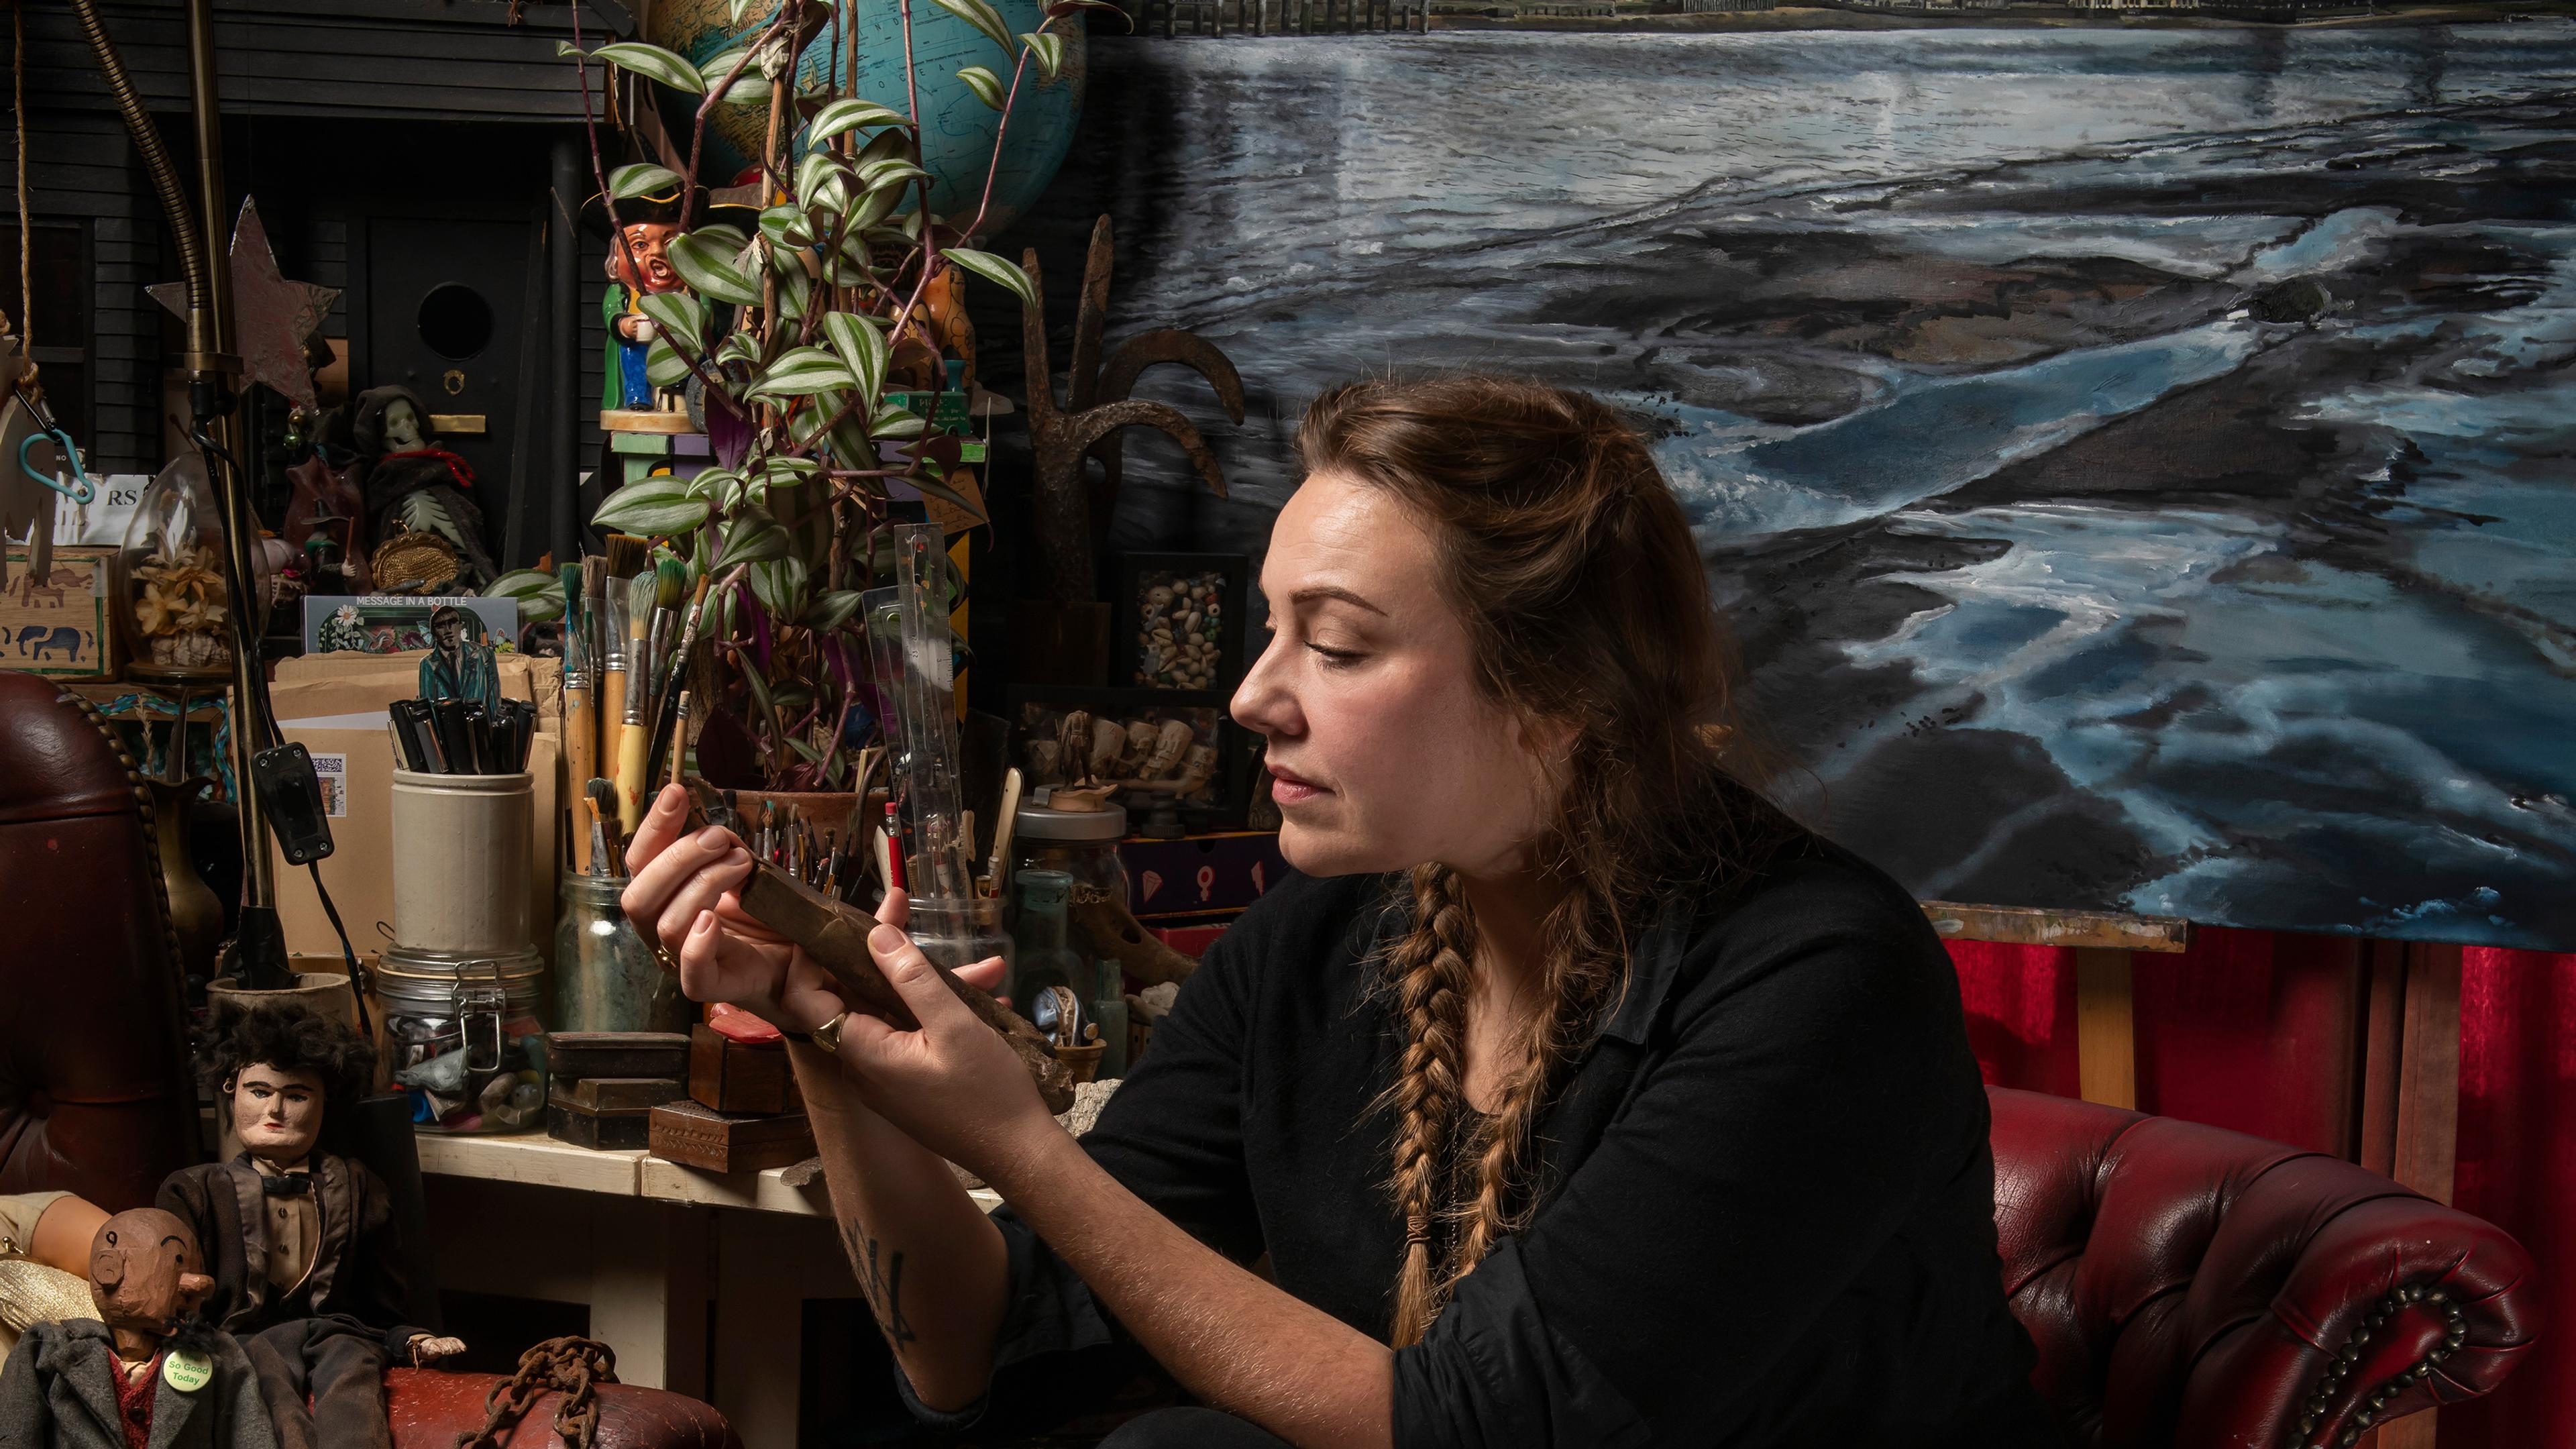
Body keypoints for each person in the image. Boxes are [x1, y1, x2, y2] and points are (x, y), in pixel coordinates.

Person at [621, 376, 2062, 1448]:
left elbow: (1469, 1430)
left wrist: (1013, 1139)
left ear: (1557, 696)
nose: (1253, 695)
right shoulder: (1319, 942)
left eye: (1339, 642)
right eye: (1269, 625)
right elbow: (984, 1359)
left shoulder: (1819, 980)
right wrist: (822, 1026)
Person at [158, 1005, 464, 1449]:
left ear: (325, 1103)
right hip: (244, 1336)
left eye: (297, 1095)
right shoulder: (194, 1193)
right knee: (266, 1388)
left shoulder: (360, 1189)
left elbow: (382, 1303)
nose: (276, 1110)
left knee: (355, 1383)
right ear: (231, 1090)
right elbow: (174, 1297)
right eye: (259, 1092)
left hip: (338, 1330)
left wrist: (410, 1338)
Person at [417, 605, 500, 712]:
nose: (448, 630)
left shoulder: (483, 654)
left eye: (452, 623)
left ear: (461, 626)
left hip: (479, 724)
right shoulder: (427, 664)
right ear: (433, 632)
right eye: (440, 626)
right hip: (447, 724)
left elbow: (494, 700)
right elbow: (429, 705)